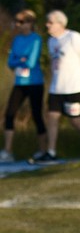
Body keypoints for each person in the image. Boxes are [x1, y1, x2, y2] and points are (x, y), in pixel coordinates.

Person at [40, 10, 80, 163]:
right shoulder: (51, 41)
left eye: (50, 22)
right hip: (56, 88)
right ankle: (51, 151)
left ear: (60, 23)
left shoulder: (73, 37)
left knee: (75, 120)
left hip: (73, 87)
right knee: (52, 117)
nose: (47, 25)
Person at [1, 9, 47, 163]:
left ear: (29, 23)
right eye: (17, 21)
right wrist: (20, 60)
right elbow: (10, 62)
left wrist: (20, 60)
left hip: (35, 83)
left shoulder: (36, 39)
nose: (18, 24)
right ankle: (7, 151)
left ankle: (43, 150)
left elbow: (31, 62)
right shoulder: (17, 39)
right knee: (9, 114)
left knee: (37, 115)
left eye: (21, 22)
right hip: (20, 82)